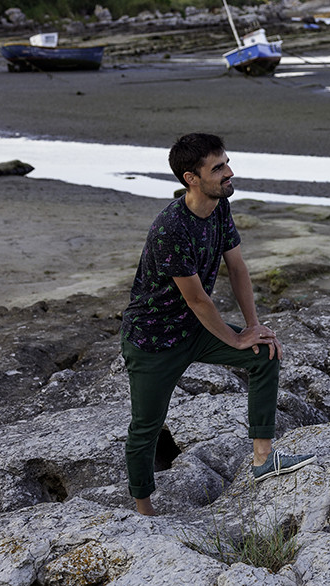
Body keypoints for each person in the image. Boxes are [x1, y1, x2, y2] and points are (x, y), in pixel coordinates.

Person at [121, 133, 315, 516]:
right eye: (218, 168)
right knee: (146, 427)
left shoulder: (220, 206)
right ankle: (143, 512)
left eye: (226, 162)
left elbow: (237, 267)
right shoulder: (170, 229)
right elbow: (196, 298)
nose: (229, 172)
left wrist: (252, 328)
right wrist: (233, 339)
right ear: (191, 178)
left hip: (196, 329)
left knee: (265, 352)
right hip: (153, 340)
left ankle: (263, 459)